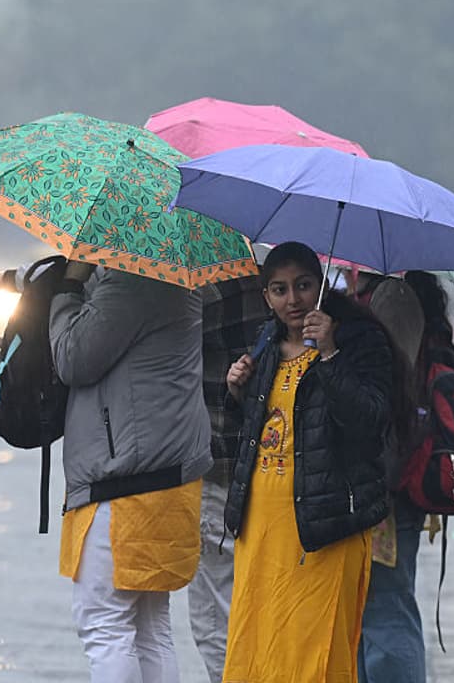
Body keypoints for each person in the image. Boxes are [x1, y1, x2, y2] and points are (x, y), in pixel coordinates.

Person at [0, 260, 211, 683]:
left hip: (126, 480)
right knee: (148, 628)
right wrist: (5, 284)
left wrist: (69, 288)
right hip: (160, 474)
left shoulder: (131, 279)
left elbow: (74, 357)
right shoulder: (168, 271)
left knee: (104, 624)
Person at [223, 241, 393, 682]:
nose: (292, 299)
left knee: (313, 654)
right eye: (279, 290)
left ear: (321, 286)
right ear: (266, 297)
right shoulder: (264, 343)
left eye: (302, 285)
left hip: (323, 525)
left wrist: (330, 353)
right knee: (257, 646)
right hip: (261, 524)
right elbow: (251, 436)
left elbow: (370, 423)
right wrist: (238, 394)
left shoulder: (360, 340)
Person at [357, 270, 454, 683]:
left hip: (387, 486)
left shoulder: (393, 300)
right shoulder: (414, 306)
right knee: (378, 607)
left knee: (385, 608)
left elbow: (387, 397)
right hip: (397, 481)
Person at [191, 275, 269, 683]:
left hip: (220, 470)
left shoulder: (208, 293)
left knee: (215, 617)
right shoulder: (285, 293)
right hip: (274, 474)